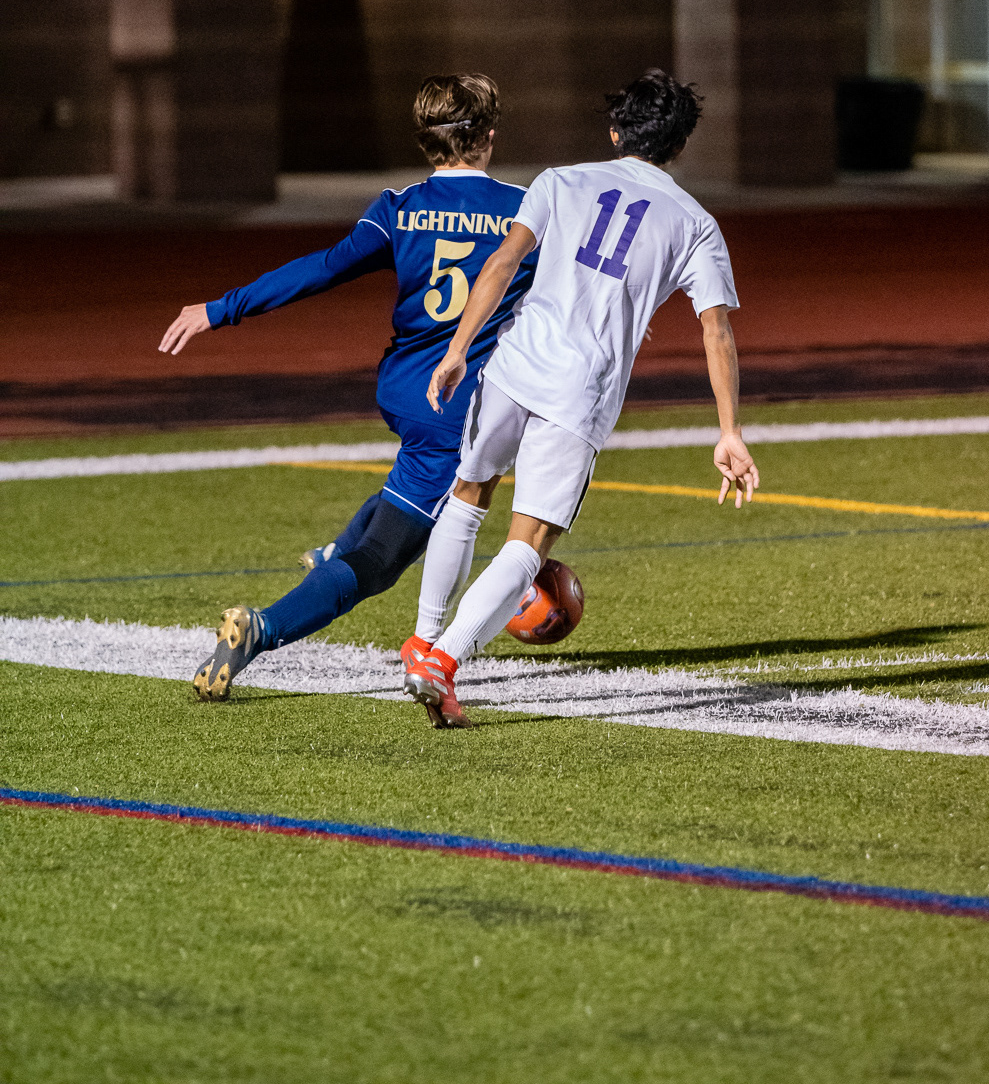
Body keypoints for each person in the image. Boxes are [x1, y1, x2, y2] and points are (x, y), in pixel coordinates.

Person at [157, 74, 538, 701]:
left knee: (417, 486)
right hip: (457, 402)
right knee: (382, 562)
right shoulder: (524, 210)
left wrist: (220, 309)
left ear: (425, 142)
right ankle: (263, 627)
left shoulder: (400, 206)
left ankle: (336, 549)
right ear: (489, 136)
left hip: (404, 388)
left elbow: (324, 267)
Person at [402, 68, 760, 728]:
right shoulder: (695, 223)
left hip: (513, 362)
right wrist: (729, 430)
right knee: (530, 540)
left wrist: (457, 348)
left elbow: (502, 263)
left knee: (468, 492)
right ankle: (442, 662)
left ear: (615, 132)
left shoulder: (559, 181)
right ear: (679, 145)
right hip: (580, 390)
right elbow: (716, 330)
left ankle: (423, 640)